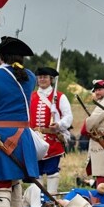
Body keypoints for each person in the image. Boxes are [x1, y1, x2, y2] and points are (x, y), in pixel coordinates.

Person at [0, 36, 39, 207]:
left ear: (1, 56)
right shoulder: (29, 76)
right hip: (23, 135)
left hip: (1, 136)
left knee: (0, 185)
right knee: (14, 182)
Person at [29, 67, 72, 195]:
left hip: (53, 139)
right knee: (37, 172)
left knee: (52, 170)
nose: (42, 79)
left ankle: (51, 199)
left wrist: (58, 124)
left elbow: (68, 116)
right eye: (40, 77)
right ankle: (38, 200)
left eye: (45, 77)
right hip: (35, 138)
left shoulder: (59, 96)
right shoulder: (31, 96)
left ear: (51, 79)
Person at [81, 79, 104, 186]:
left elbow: (91, 122)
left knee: (101, 172)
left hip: (102, 141)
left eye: (100, 89)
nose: (97, 92)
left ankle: (103, 200)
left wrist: (86, 128)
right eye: (96, 90)